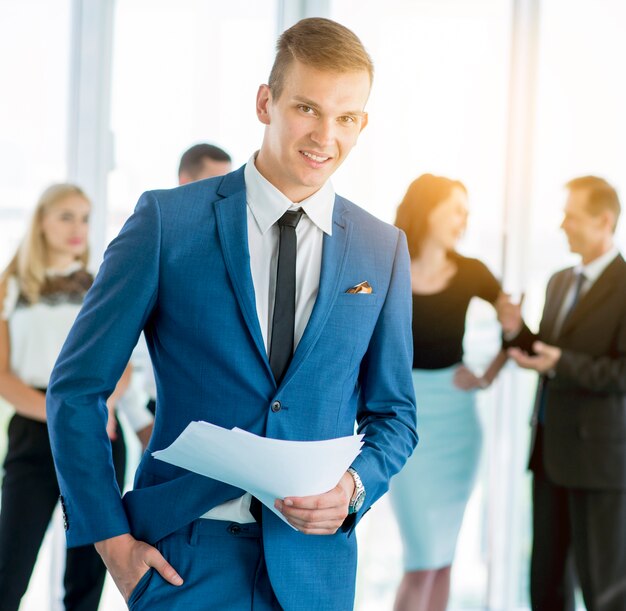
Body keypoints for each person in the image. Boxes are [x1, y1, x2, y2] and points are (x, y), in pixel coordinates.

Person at [46, 17, 418, 611]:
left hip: (314, 570)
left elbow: (395, 414)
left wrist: (355, 488)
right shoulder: (167, 223)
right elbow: (76, 388)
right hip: (181, 562)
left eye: (347, 117)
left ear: (363, 123)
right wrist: (112, 543)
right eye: (307, 108)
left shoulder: (382, 248)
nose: (325, 135)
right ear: (265, 103)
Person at [0, 184, 131, 610]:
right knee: (8, 572)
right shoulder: (10, 287)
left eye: (86, 217)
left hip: (96, 430)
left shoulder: (102, 285)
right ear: (41, 221)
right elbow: (3, 376)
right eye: (66, 216)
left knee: (87, 580)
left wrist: (102, 408)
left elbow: (123, 367)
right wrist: (63, 415)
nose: (80, 228)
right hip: (35, 435)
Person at [500, 176, 626, 611]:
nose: (562, 226)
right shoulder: (557, 282)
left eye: (572, 217)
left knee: (604, 590)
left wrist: (561, 364)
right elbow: (546, 350)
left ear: (604, 220)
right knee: (546, 585)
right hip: (550, 454)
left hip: (600, 466)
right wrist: (516, 329)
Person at [389, 174, 508, 611]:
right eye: (456, 209)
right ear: (429, 210)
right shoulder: (389, 263)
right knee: (420, 559)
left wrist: (487, 374)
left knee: (442, 561)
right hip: (403, 421)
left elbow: (519, 333)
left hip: (457, 422)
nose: (464, 219)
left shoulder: (471, 271)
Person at [136, 141, 234, 417]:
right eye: (212, 182)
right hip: (164, 405)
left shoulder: (232, 246)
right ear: (185, 182)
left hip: (220, 410)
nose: (222, 193)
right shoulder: (158, 241)